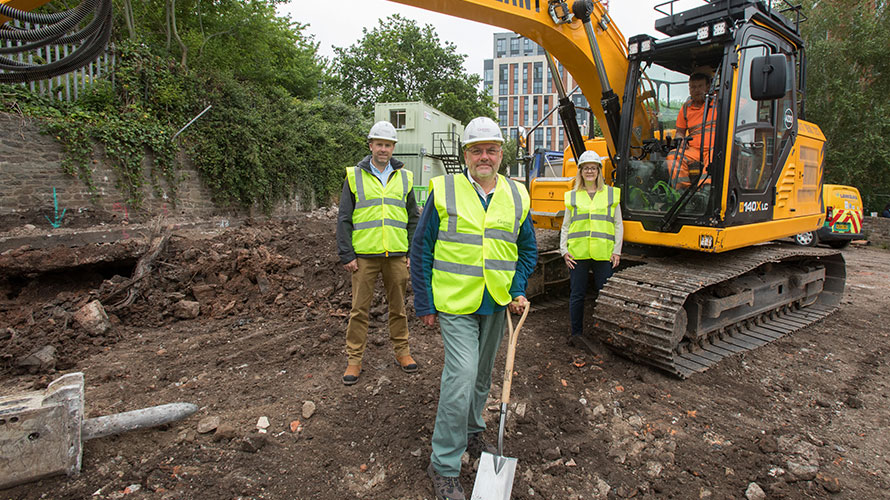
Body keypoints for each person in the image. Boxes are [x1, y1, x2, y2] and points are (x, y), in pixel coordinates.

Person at [411, 117, 538, 500]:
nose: (484, 156)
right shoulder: (444, 189)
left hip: (496, 301)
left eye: (491, 149)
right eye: (476, 149)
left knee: (482, 376)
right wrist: (425, 301)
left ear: (502, 153)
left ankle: (472, 428)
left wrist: (516, 289)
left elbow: (526, 248)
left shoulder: (517, 195)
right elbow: (422, 249)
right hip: (454, 302)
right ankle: (445, 464)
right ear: (466, 154)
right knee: (462, 375)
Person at [336, 120, 420, 386]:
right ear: (371, 145)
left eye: (388, 145)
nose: (383, 149)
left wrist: (411, 252)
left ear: (393, 147)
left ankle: (403, 352)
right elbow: (344, 218)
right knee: (359, 310)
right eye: (379, 144)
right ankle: (354, 359)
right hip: (364, 256)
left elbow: (413, 218)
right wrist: (346, 254)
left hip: (396, 254)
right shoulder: (354, 176)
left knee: (399, 308)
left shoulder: (405, 177)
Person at [560, 151, 623, 344]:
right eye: (586, 168)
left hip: (604, 253)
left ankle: (605, 334)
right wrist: (564, 251)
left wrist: (616, 250)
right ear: (580, 171)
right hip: (577, 253)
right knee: (577, 294)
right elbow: (566, 226)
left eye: (593, 168)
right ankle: (576, 334)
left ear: (598, 171)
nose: (590, 171)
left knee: (604, 295)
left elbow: (618, 223)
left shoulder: (611, 193)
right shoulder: (572, 196)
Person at [668, 72, 717, 189]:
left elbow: (744, 105)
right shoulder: (686, 108)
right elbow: (680, 131)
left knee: (714, 155)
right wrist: (680, 139)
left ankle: (705, 190)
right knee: (673, 156)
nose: (696, 90)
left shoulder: (719, 103)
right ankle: (682, 191)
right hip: (694, 151)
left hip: (714, 147)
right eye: (693, 87)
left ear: (708, 87)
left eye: (700, 86)